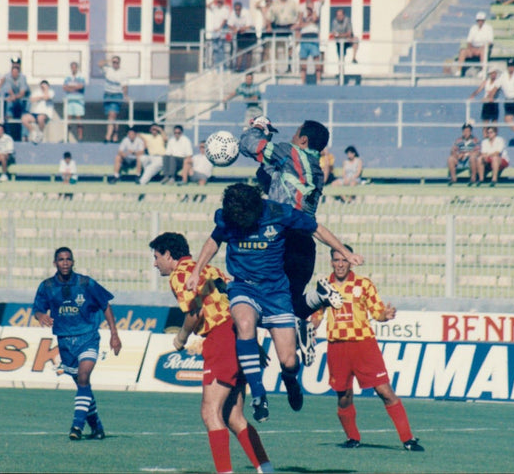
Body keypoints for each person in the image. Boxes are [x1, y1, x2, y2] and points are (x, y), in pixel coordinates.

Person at [185, 183, 364, 423]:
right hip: (243, 286)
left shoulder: (279, 213)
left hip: (276, 292)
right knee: (244, 323)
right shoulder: (227, 217)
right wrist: (197, 270)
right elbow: (213, 241)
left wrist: (344, 251)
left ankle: (290, 379)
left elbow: (317, 229)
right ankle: (259, 394)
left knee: (289, 361)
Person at [149, 232, 273, 474]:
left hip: (221, 337)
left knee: (210, 411)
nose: (155, 263)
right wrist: (251, 343)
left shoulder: (180, 275)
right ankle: (265, 468)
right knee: (234, 416)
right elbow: (236, 303)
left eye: (156, 257)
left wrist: (181, 338)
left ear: (168, 254)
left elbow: (195, 313)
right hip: (240, 334)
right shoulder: (211, 269)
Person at [239, 116, 342, 367]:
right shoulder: (315, 168)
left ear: (303, 140)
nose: (293, 138)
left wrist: (258, 128)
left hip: (279, 240)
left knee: (256, 302)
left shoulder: (290, 152)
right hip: (305, 245)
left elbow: (248, 144)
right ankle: (316, 300)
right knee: (290, 305)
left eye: (296, 134)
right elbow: (272, 176)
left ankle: (260, 344)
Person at [311, 244, 424, 452]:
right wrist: (309, 327)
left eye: (344, 259)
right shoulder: (324, 286)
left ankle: (408, 439)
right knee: (344, 396)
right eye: (336, 260)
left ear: (350, 261)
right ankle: (353, 438)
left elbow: (377, 311)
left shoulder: (364, 284)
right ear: (331, 262)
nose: (340, 264)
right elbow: (317, 315)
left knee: (385, 391)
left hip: (364, 346)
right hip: (337, 347)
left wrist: (385, 315)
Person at [32, 246, 122, 441]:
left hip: (87, 337)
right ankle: (96, 426)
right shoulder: (47, 286)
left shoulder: (86, 283)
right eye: (61, 259)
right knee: (83, 386)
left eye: (68, 259)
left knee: (83, 377)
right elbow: (37, 309)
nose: (65, 262)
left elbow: (105, 305)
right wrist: (41, 316)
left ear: (73, 262)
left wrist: (114, 334)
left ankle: (77, 426)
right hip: (65, 341)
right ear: (55, 263)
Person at [267, 0, 300, 72]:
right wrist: (269, 26)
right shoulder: (275, 4)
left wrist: (297, 24)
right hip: (278, 27)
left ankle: (289, 67)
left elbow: (300, 12)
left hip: (289, 28)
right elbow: (269, 16)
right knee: (277, 48)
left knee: (290, 48)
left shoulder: (292, 3)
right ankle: (276, 68)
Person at [98, 56, 128, 143]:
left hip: (116, 95)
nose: (115, 64)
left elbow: (125, 86)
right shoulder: (108, 69)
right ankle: (115, 134)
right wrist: (109, 60)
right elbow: (99, 64)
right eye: (114, 62)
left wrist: (125, 95)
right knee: (111, 117)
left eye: (117, 62)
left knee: (112, 115)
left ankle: (108, 136)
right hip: (107, 95)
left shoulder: (123, 73)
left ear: (119, 63)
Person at [456, 13, 494, 77]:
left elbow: (490, 41)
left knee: (483, 51)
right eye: (478, 20)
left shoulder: (488, 28)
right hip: (474, 47)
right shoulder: (473, 28)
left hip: (484, 47)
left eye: (481, 20)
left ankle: (483, 71)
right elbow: (469, 41)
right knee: (463, 51)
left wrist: (482, 47)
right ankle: (459, 71)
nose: (480, 22)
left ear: (484, 20)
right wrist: (470, 48)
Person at [295, 3, 322, 84]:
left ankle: (318, 79)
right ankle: (303, 80)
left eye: (310, 10)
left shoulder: (315, 18)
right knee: (303, 61)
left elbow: (314, 19)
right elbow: (299, 26)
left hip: (313, 40)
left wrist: (313, 11)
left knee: (316, 60)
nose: (308, 12)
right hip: (304, 41)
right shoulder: (302, 20)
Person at [1, 63, 29, 141]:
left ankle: (24, 136)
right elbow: (9, 89)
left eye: (16, 72)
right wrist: (12, 96)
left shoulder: (23, 78)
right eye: (13, 72)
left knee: (25, 116)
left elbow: (22, 93)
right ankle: (9, 115)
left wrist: (14, 97)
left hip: (23, 100)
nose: (14, 74)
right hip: (14, 99)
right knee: (8, 102)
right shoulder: (8, 77)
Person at [227, 1, 257, 71]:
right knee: (239, 50)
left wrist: (238, 29)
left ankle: (248, 69)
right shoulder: (233, 14)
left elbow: (249, 26)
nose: (237, 11)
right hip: (240, 33)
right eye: (236, 10)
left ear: (241, 9)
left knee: (249, 51)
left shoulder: (246, 13)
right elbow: (229, 24)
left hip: (250, 33)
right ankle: (238, 68)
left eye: (239, 9)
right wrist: (235, 29)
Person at [63, 61, 86, 141]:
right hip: (69, 100)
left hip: (78, 100)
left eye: (75, 67)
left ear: (77, 68)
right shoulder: (68, 77)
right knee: (68, 119)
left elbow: (81, 86)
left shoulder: (81, 77)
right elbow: (64, 87)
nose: (73, 69)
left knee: (79, 119)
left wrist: (71, 88)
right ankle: (66, 137)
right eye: (72, 67)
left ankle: (80, 137)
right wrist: (74, 87)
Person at [208, 0, 231, 68]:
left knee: (221, 49)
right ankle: (216, 65)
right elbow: (208, 6)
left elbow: (225, 20)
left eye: (220, 2)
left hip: (221, 32)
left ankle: (222, 65)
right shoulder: (215, 8)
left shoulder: (225, 9)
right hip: (215, 32)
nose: (219, 3)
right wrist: (214, 0)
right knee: (215, 49)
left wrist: (219, 28)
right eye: (218, 2)